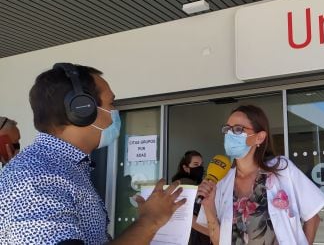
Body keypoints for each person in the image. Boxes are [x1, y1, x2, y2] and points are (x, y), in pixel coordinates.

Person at [0, 63, 186, 244]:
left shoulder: (65, 168)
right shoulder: (35, 177)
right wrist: (149, 221)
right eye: (111, 103)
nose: (115, 112)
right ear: (82, 110)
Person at [197, 105, 324, 245]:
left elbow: (313, 218)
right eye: (227, 129)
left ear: (259, 137)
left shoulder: (281, 169)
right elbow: (218, 241)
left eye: (238, 129)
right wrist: (209, 207)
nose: (230, 134)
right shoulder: (222, 181)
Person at [171, 150, 210, 245]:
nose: (200, 168)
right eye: (195, 164)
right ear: (186, 168)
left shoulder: (197, 184)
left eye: (201, 165)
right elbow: (185, 216)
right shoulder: (183, 186)